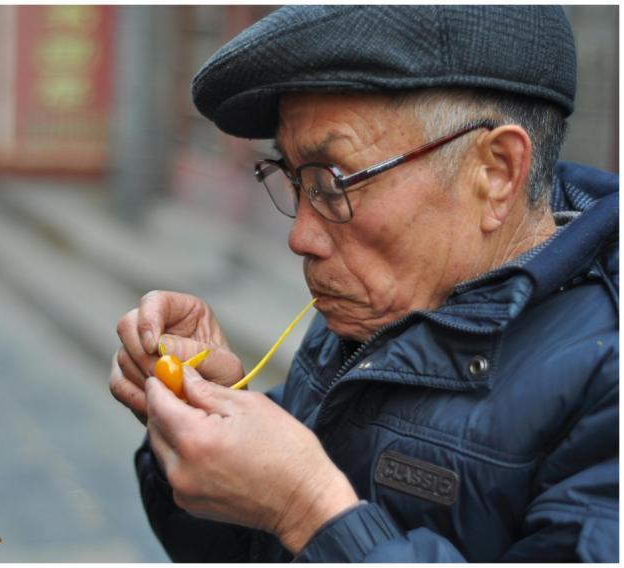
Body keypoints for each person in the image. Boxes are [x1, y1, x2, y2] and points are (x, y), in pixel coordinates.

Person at [110, 6, 618, 562]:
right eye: (294, 178)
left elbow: (298, 504)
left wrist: (308, 511)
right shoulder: (372, 308)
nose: (302, 237)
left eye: (333, 181)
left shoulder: (603, 383)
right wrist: (204, 429)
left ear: (495, 172)